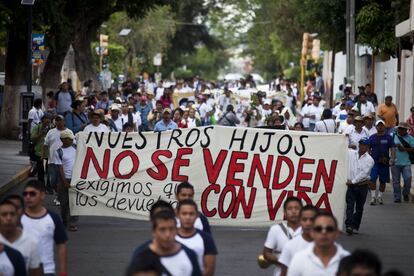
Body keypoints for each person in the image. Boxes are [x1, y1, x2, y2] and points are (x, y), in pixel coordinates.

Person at [131, 210, 201, 276]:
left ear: (177, 230)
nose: (167, 234)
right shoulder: (140, 256)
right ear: (153, 231)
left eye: (171, 229)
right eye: (162, 229)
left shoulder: (189, 254)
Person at [21, 180, 68, 276]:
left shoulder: (53, 218)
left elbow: (61, 245)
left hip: (47, 271)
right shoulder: (17, 218)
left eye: (32, 194)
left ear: (42, 195)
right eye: (25, 194)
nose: (28, 197)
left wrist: (63, 272)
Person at [176, 199, 217, 276]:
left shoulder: (206, 239)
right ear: (178, 215)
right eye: (184, 214)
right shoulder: (169, 237)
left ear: (197, 215)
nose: (188, 217)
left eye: (191, 214)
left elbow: (209, 269)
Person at [0, 199, 42, 275]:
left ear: (18, 216)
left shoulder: (31, 242)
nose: (8, 218)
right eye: (4, 214)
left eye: (12, 214)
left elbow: (36, 272)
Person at [263, 197, 303, 276]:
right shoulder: (276, 229)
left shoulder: (310, 230)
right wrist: (282, 262)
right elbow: (266, 253)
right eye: (290, 209)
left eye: (297, 208)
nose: (293, 211)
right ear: (284, 212)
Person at [345, 139, 374, 235]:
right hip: (351, 186)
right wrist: (343, 138)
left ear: (367, 147)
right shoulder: (351, 154)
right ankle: (349, 225)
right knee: (350, 206)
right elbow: (341, 147)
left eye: (364, 145)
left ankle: (355, 226)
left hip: (362, 186)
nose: (362, 146)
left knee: (359, 207)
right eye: (361, 144)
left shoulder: (370, 160)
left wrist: (353, 181)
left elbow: (364, 173)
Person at [279, 205, 319, 276]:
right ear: (299, 221)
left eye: (312, 219)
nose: (308, 223)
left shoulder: (330, 247)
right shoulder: (290, 246)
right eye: (304, 219)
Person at [44, 114, 73, 203]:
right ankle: (58, 193)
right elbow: (45, 144)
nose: (58, 122)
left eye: (60, 120)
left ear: (64, 121)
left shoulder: (69, 132)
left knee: (61, 179)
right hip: (52, 160)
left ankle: (59, 196)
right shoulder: (51, 132)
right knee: (52, 181)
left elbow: (74, 144)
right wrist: (43, 156)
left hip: (65, 161)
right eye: (57, 120)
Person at [54, 130, 78, 231]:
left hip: (76, 179)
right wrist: (65, 182)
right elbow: (60, 168)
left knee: (74, 203)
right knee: (64, 203)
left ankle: (72, 223)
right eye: (67, 139)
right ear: (62, 140)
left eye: (71, 139)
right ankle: (64, 220)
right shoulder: (58, 151)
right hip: (64, 179)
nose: (70, 140)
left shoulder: (76, 148)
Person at [368, 120, 396, 205]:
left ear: (384, 127)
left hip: (384, 162)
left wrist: (393, 158)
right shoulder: (372, 137)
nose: (380, 127)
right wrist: (368, 159)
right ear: (376, 127)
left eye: (381, 125)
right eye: (378, 125)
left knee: (383, 181)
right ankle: (373, 197)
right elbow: (368, 148)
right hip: (374, 162)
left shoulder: (388, 137)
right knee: (372, 179)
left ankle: (379, 196)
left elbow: (393, 148)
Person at [391, 122, 414, 203]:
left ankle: (405, 193)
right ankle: (397, 197)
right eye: (400, 128)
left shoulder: (410, 138)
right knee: (396, 181)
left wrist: (404, 149)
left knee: (408, 178)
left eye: (404, 129)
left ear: (406, 130)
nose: (401, 130)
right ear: (398, 129)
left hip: (406, 163)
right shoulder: (392, 136)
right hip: (395, 162)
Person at [30, 113, 52, 184]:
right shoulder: (37, 127)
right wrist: (41, 133)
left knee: (49, 171)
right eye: (46, 119)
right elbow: (32, 139)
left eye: (49, 119)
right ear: (42, 120)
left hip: (50, 153)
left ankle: (49, 185)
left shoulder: (52, 128)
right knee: (40, 170)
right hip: (39, 152)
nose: (48, 121)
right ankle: (41, 185)